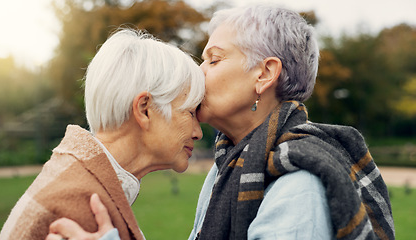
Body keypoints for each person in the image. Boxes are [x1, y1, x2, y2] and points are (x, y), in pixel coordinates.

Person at [46, 4, 395, 240]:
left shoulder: (298, 187)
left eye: (214, 60)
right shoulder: (228, 167)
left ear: (264, 74)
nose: (198, 74)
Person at [0, 28, 205, 240]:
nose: (197, 132)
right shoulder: (81, 210)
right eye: (190, 112)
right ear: (144, 109)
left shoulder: (82, 180)